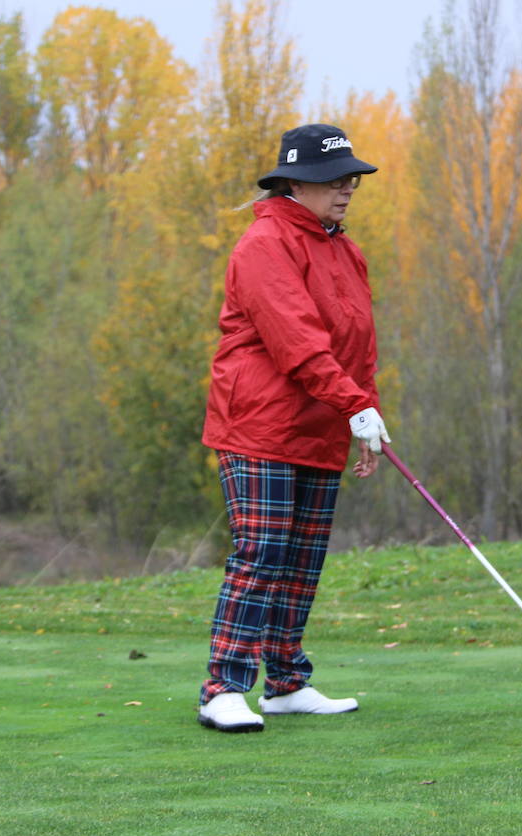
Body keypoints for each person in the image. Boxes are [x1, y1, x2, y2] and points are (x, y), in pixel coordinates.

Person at [196, 123, 391, 733]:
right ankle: (223, 688)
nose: (347, 189)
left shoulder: (343, 248)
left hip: (317, 426)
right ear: (295, 183)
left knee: (303, 559)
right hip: (259, 423)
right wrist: (351, 404)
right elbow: (296, 342)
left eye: (351, 179)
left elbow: (357, 345)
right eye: (334, 179)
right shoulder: (264, 244)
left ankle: (284, 683)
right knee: (262, 554)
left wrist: (365, 418)